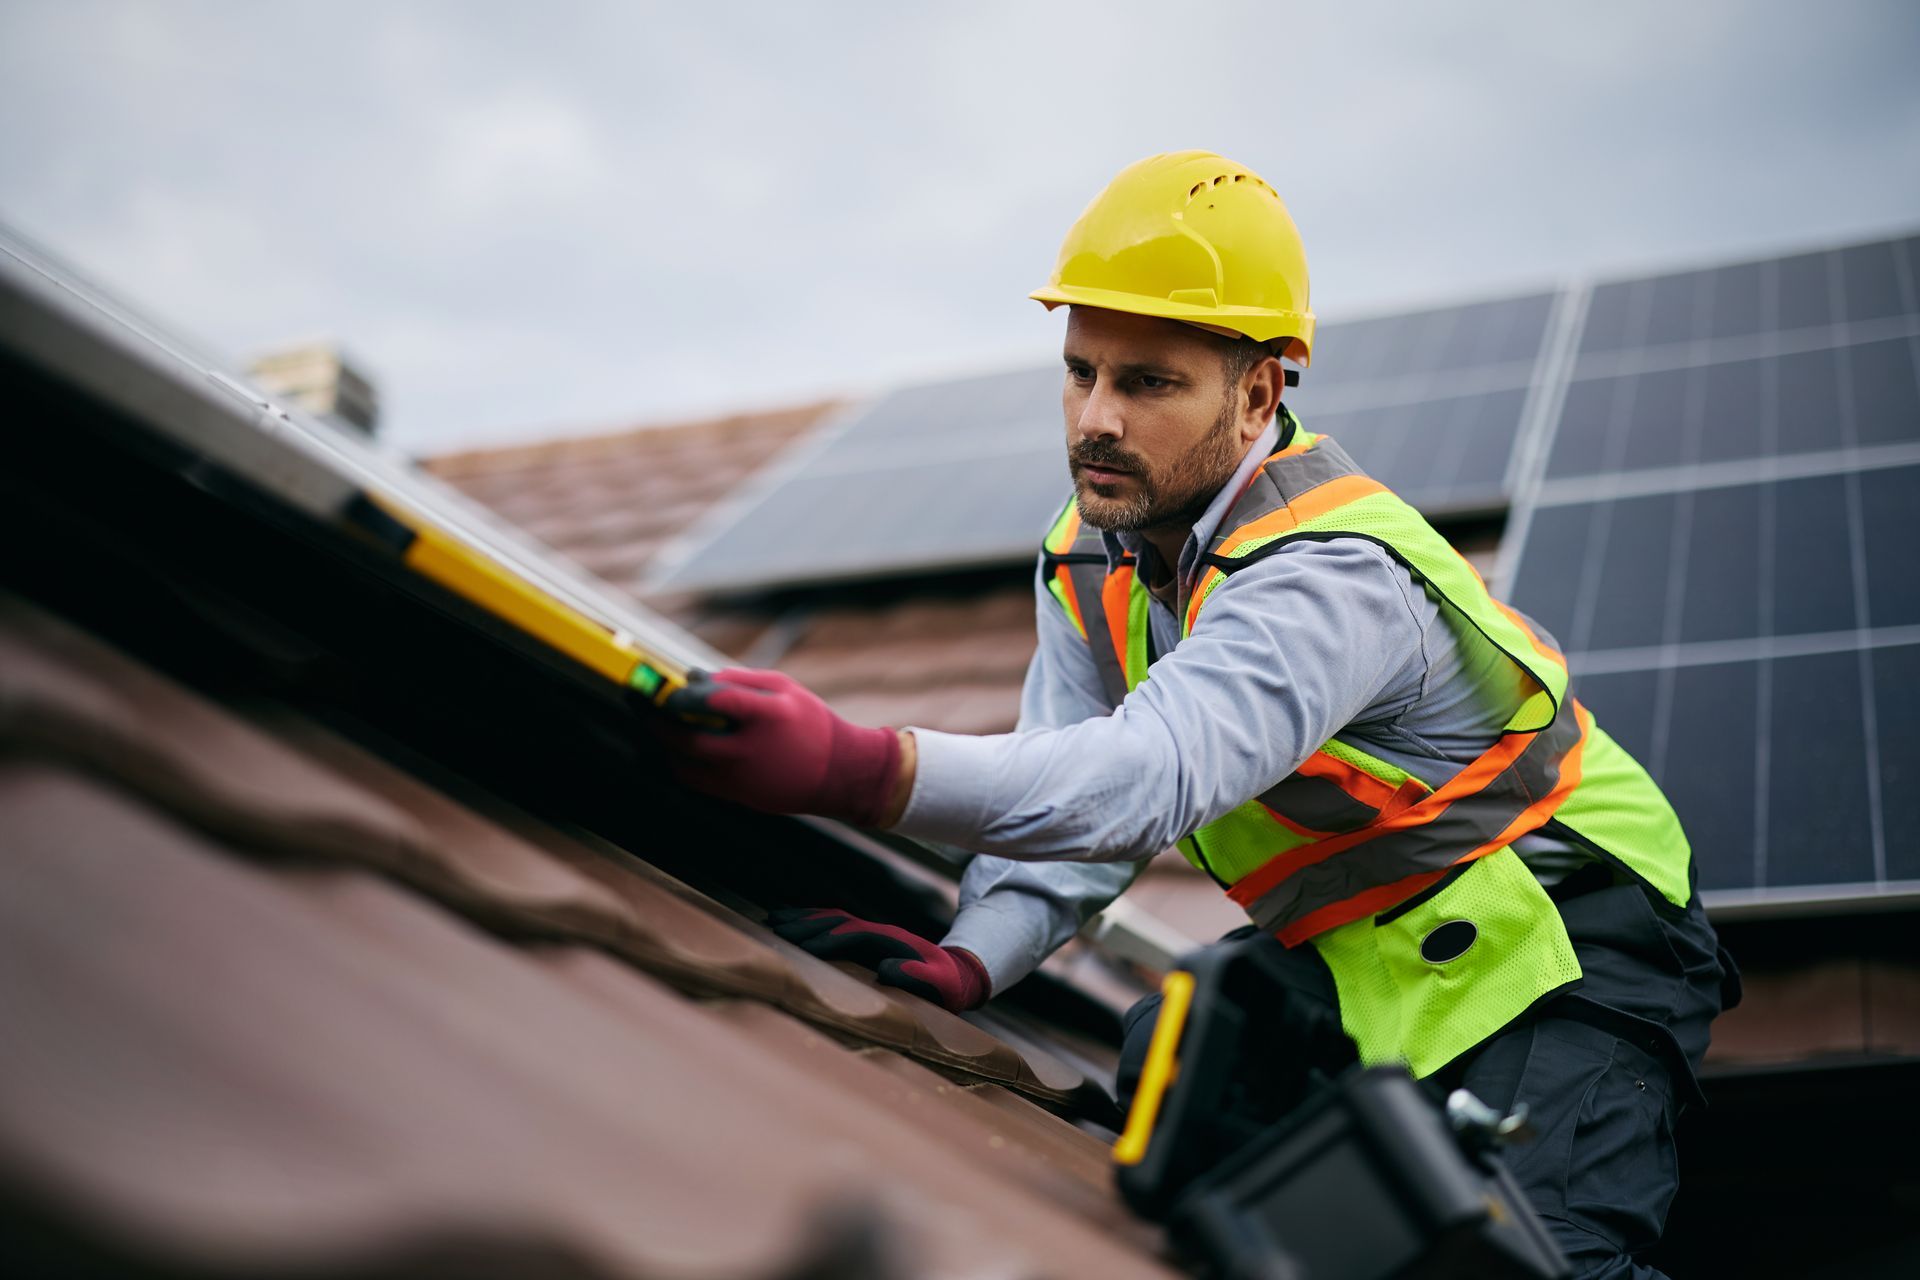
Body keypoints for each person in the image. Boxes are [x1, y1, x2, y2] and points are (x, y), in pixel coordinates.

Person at [665, 151, 1737, 1279]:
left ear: (1261, 392)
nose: (1096, 418)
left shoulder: (1329, 572)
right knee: (1176, 1089)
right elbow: (1068, 791)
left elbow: (1139, 777)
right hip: (1374, 946)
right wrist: (971, 959)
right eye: (1079, 372)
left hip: (1570, 934)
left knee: (1528, 1262)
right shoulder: (1091, 553)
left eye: (1149, 382)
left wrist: (856, 767)